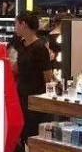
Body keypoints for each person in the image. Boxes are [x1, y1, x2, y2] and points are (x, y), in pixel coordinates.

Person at [12, 10, 54, 142]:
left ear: (23, 24)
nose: (15, 27)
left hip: (35, 101)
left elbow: (48, 77)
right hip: (21, 97)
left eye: (16, 24)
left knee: (32, 134)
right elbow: (17, 68)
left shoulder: (40, 48)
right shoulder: (21, 45)